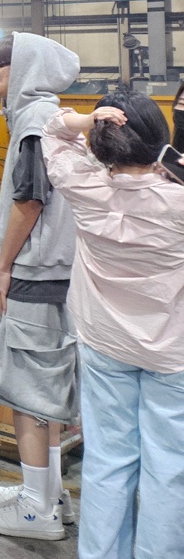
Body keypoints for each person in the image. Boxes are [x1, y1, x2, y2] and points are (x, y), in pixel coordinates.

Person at [40, 95, 184, 559]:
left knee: (107, 459)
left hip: (104, 342)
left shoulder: (82, 185)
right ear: (160, 140)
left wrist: (85, 118)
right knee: (170, 468)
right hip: (173, 352)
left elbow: (53, 130)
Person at [0, 34, 81, 540]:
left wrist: (4, 263)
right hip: (54, 273)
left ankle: (37, 510)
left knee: (28, 390)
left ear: (27, 68)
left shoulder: (34, 121)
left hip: (34, 272)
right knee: (43, 388)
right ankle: (47, 490)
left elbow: (29, 201)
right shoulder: (50, 116)